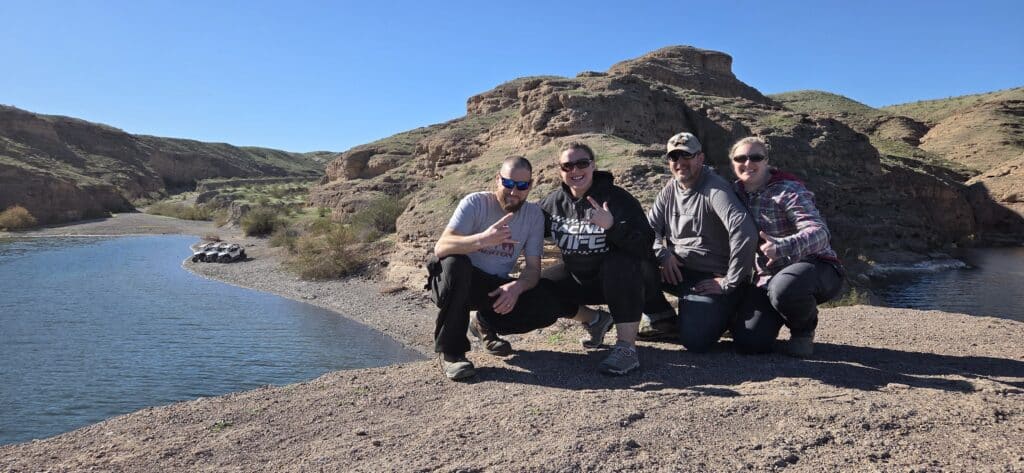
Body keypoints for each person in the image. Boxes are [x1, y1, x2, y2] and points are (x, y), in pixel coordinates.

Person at [426, 156, 595, 381]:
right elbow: (441, 247)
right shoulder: (475, 203)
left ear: (530, 186)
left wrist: (517, 287)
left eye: (522, 185)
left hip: (493, 288)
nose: (514, 191)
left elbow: (533, 269)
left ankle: (484, 324)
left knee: (547, 301)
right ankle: (452, 353)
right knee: (456, 263)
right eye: (508, 183)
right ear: (498, 179)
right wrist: (481, 240)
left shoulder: (533, 215)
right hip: (454, 282)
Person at [539, 142, 654, 375]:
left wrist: (612, 226)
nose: (575, 170)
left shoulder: (617, 199)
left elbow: (644, 245)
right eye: (567, 166)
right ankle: (595, 320)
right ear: (560, 171)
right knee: (539, 286)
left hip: (622, 281)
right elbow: (528, 228)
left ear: (593, 165)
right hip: (579, 276)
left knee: (620, 262)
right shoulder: (554, 203)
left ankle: (626, 348)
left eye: (582, 163)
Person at [727, 137, 844, 357]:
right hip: (767, 278)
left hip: (815, 267)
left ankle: (803, 330)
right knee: (749, 344)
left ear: (766, 161)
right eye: (740, 158)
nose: (748, 163)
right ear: (733, 162)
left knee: (785, 288)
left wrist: (782, 247)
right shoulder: (734, 194)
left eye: (755, 157)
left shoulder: (788, 190)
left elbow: (819, 232)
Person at [642, 132, 757, 352]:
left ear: (700, 158)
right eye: (673, 157)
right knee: (632, 265)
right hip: (677, 271)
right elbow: (648, 230)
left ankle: (729, 310)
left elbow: (744, 231)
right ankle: (662, 319)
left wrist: (730, 281)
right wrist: (663, 254)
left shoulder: (715, 189)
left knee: (696, 342)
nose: (679, 162)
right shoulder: (670, 188)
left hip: (711, 278)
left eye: (686, 155)